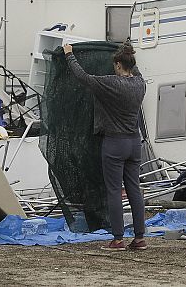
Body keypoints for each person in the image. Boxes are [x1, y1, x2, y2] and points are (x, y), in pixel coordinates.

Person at [63, 41, 147, 251]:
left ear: (118, 65)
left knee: (114, 191)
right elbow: (134, 69)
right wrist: (124, 53)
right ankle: (139, 238)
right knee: (134, 189)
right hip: (134, 143)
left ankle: (118, 239)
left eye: (115, 64)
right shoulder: (140, 84)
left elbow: (83, 77)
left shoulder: (110, 83)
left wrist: (69, 55)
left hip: (114, 143)